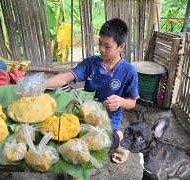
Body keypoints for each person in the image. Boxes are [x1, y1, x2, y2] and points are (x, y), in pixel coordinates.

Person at [46, 18, 139, 163]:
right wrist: (40, 84)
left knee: (96, 147)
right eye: (100, 44)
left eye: (107, 46)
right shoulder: (91, 63)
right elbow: (66, 76)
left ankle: (117, 137)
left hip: (109, 119)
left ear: (121, 46)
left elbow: (132, 102)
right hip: (85, 113)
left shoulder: (129, 71)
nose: (101, 49)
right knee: (64, 140)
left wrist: (120, 101)